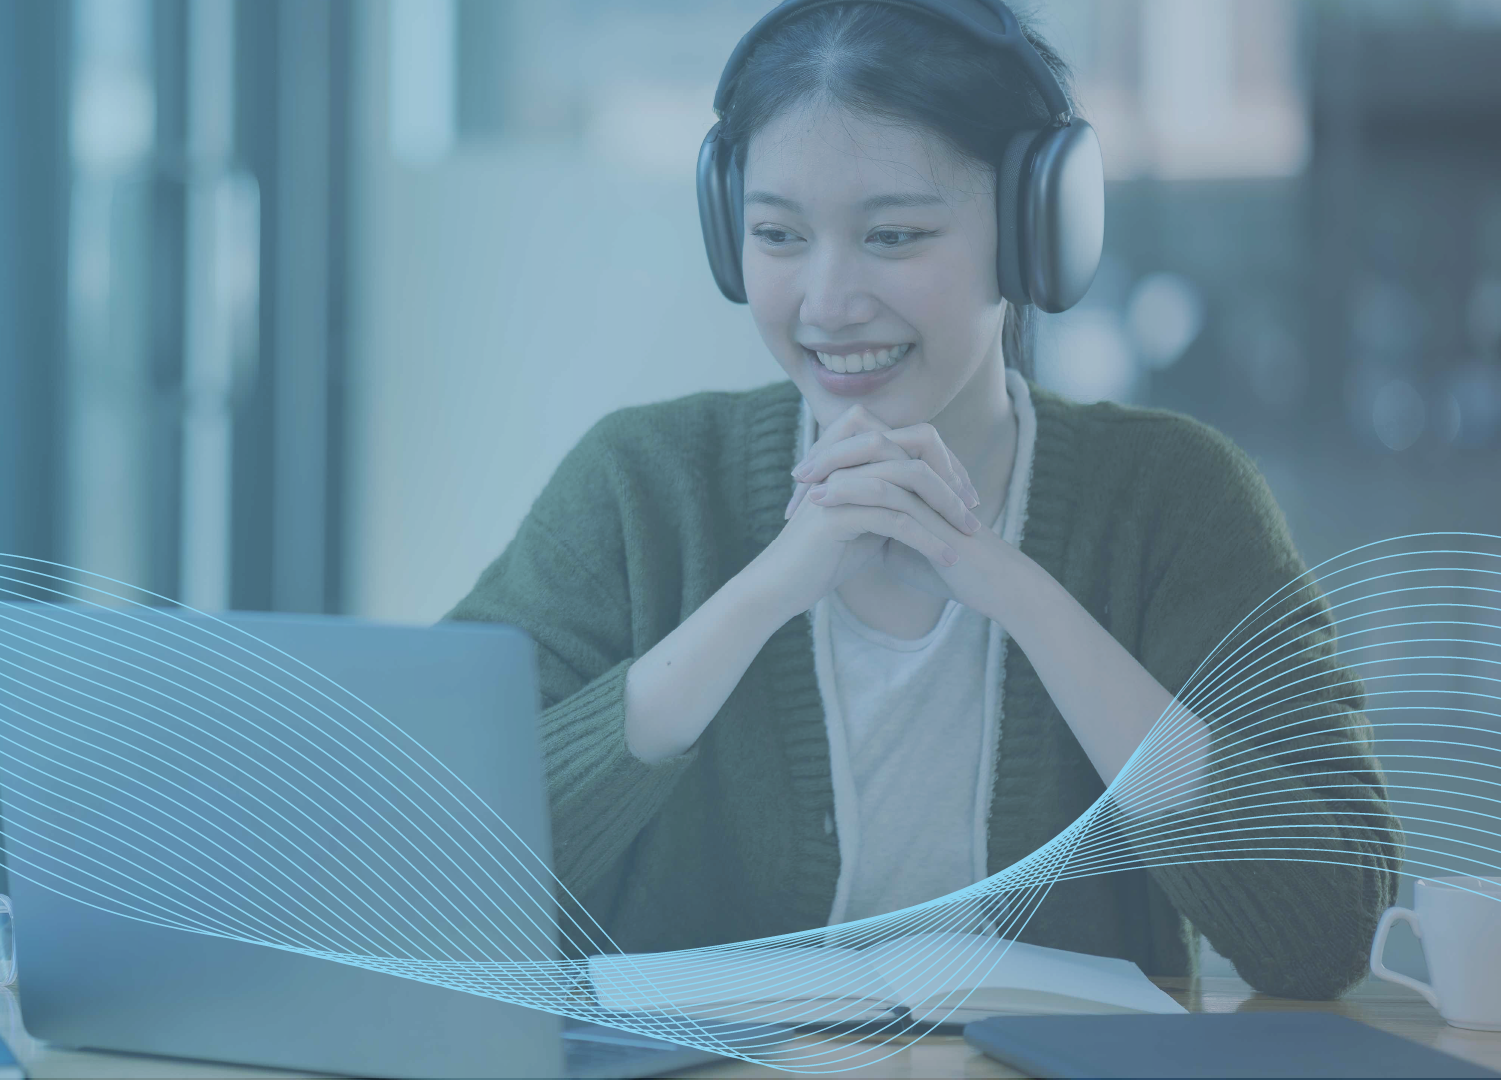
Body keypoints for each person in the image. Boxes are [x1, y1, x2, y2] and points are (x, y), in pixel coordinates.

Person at [445, 0, 1400, 999]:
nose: (826, 299)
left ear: (1037, 229)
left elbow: (1325, 931)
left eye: (893, 236)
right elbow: (417, 866)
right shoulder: (641, 486)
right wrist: (759, 598)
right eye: (777, 234)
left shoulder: (1174, 500)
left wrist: (1015, 592)